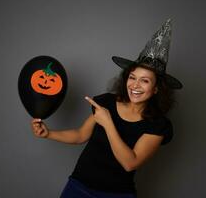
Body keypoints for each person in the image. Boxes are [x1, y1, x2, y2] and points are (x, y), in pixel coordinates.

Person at [31, 19, 182, 198]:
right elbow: (80, 135)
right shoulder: (106, 103)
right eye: (132, 77)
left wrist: (108, 123)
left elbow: (130, 163)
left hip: (117, 194)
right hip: (79, 186)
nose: (135, 85)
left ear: (156, 89)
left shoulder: (158, 125)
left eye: (145, 80)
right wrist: (48, 134)